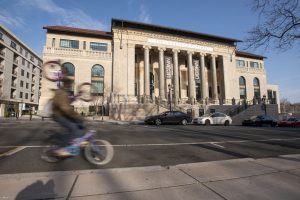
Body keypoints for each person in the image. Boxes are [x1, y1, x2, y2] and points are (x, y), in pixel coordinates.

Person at [52, 77, 85, 156]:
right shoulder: (61, 92)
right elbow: (65, 108)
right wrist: (77, 116)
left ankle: (76, 141)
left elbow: (69, 101)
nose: (70, 86)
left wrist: (77, 95)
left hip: (63, 114)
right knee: (73, 128)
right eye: (70, 84)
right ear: (66, 84)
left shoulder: (64, 92)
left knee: (79, 125)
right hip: (59, 115)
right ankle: (61, 149)